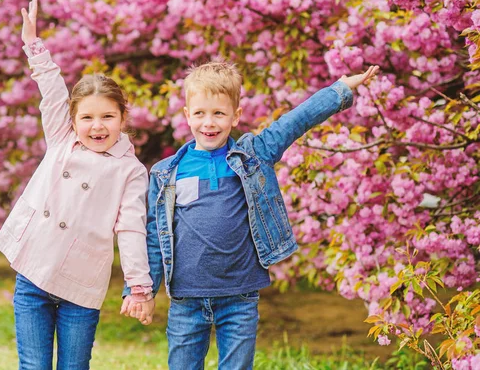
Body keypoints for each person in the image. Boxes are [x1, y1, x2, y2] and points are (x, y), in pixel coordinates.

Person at [131, 59, 379, 369]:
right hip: (186, 298)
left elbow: (295, 121)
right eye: (200, 114)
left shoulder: (253, 155)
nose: (209, 123)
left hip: (239, 296)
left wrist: (340, 89)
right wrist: (141, 291)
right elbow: (155, 237)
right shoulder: (167, 173)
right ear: (186, 116)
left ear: (235, 116)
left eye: (219, 113)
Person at [0, 0, 154, 370]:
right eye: (88, 118)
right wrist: (33, 44)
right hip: (34, 272)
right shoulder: (63, 137)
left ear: (122, 117)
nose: (97, 126)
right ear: (73, 119)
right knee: (33, 366)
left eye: (107, 117)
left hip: (82, 286)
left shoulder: (130, 171)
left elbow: (131, 229)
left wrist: (139, 285)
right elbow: (51, 89)